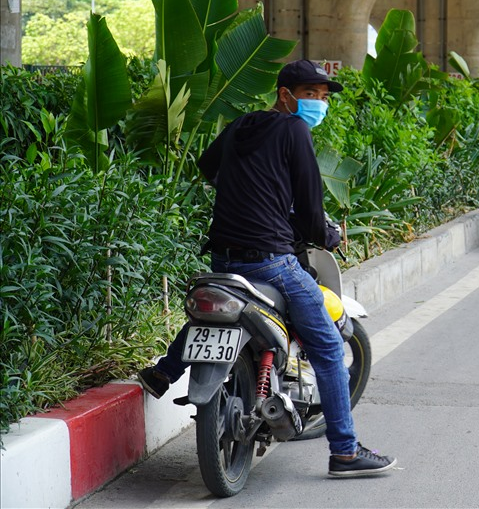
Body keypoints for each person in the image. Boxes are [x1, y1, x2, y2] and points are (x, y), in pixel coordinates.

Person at [138, 59, 397, 478]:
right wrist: (324, 236)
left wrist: (251, 194)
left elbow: (208, 167)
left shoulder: (243, 124)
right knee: (330, 351)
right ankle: (345, 453)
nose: (319, 103)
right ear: (285, 95)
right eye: (312, 95)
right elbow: (312, 204)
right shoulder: (295, 129)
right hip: (273, 262)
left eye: (323, 96)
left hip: (224, 257)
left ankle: (166, 370)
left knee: (226, 306)